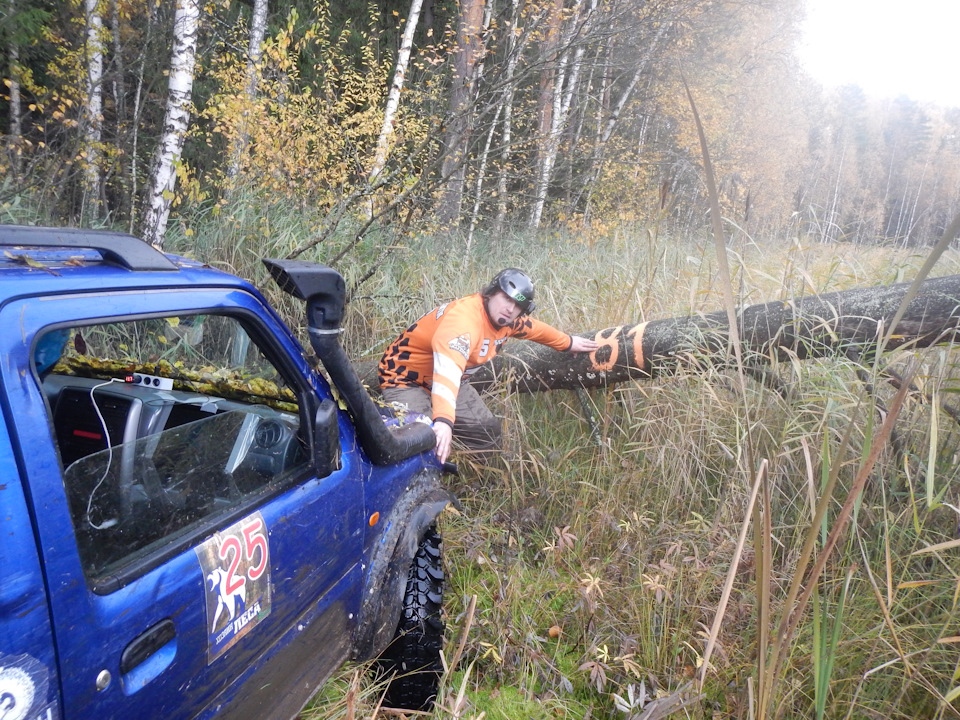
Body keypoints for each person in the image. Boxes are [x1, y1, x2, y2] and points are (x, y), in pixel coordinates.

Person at [378, 268, 599, 463]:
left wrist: (568, 343)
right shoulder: (464, 321)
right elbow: (449, 369)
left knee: (486, 430)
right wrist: (444, 420)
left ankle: (479, 480)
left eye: (518, 305)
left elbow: (536, 329)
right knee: (423, 437)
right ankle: (427, 491)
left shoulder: (508, 321)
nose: (510, 309)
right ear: (492, 292)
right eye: (506, 299)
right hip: (405, 378)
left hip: (453, 380)